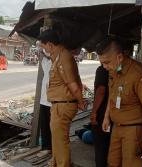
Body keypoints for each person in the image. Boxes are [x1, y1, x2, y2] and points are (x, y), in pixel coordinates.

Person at [97, 37, 142, 167]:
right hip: (117, 127)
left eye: (107, 62)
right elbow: (112, 95)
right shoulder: (114, 70)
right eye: (102, 63)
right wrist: (107, 116)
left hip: (134, 131)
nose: (104, 66)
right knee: (112, 163)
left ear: (119, 57)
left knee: (131, 164)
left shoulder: (139, 74)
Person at [38, 29, 86, 167]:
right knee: (57, 139)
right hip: (58, 105)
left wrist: (81, 101)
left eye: (44, 46)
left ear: (50, 44)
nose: (44, 49)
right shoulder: (58, 56)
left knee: (61, 141)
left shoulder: (64, 57)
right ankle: (55, 162)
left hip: (63, 105)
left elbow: (73, 85)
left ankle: (63, 164)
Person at [90, 65, 111, 167]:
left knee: (100, 147)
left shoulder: (102, 69)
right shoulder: (119, 69)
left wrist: (94, 112)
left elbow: (101, 90)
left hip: (102, 114)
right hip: (112, 115)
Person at [38, 41, 52, 151]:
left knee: (52, 127)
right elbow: (41, 55)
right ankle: (46, 147)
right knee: (44, 126)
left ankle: (51, 148)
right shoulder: (46, 62)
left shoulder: (57, 62)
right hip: (44, 100)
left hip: (53, 101)